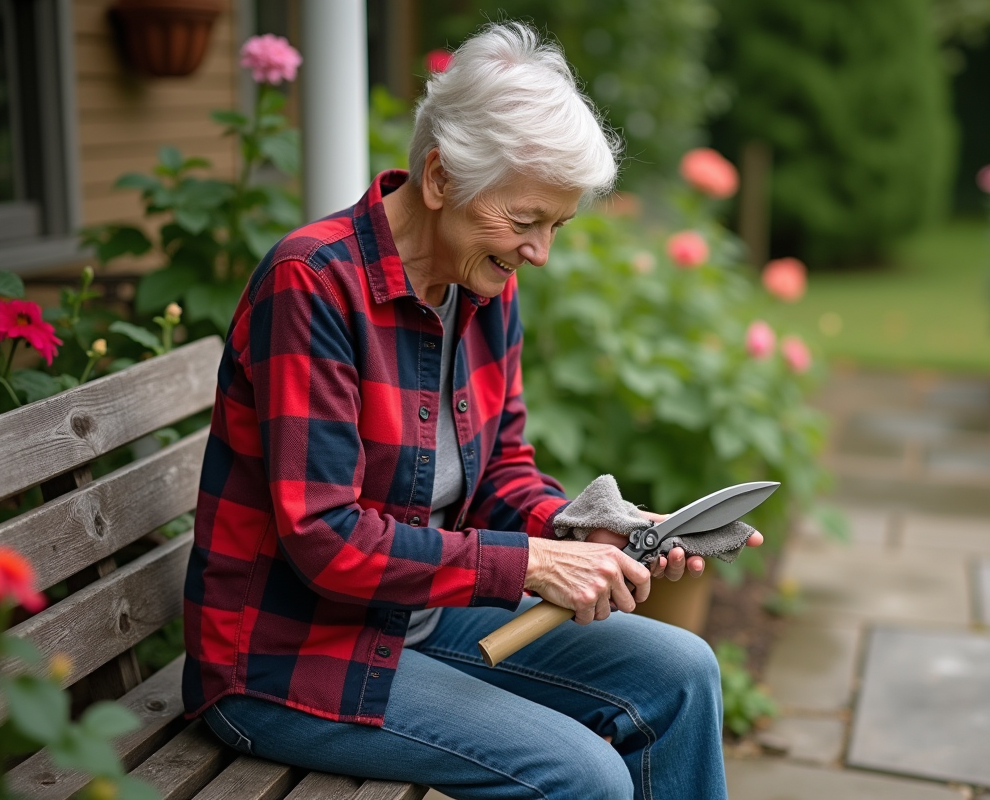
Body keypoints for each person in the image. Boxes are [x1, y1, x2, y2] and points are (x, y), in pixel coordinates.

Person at [183, 21, 760, 800]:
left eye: (556, 226)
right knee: (584, 777)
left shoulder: (481, 285)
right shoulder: (313, 283)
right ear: (439, 177)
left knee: (684, 672)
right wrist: (529, 564)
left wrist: (578, 530)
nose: (539, 252)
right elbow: (326, 539)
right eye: (525, 222)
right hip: (290, 659)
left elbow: (500, 475)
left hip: (417, 620)